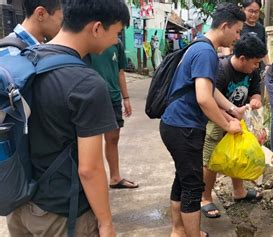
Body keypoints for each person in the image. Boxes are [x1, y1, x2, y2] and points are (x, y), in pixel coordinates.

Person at [6, 1, 130, 236]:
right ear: (96, 28)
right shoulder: (87, 84)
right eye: (116, 33)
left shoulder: (25, 58)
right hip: (62, 212)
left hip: (19, 204)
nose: (116, 41)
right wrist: (106, 223)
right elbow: (89, 169)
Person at [159, 3, 246, 237]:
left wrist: (231, 108)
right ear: (225, 26)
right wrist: (228, 124)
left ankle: (178, 231)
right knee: (193, 185)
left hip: (175, 124)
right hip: (183, 126)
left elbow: (208, 88)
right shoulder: (206, 52)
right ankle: (191, 234)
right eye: (237, 31)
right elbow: (204, 98)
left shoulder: (199, 45)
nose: (238, 37)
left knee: (183, 177)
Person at [201, 34, 268, 218]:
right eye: (255, 63)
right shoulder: (221, 70)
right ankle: (205, 198)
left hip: (238, 118)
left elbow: (255, 93)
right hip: (216, 118)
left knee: (238, 155)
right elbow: (211, 103)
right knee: (211, 158)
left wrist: (255, 101)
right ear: (242, 59)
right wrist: (227, 121)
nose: (257, 67)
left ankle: (239, 192)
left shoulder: (252, 71)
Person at [89, 41, 138, 189]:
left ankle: (115, 178)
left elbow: (120, 72)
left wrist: (126, 98)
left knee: (113, 138)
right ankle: (93, 181)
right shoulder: (87, 37)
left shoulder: (116, 43)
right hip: (92, 97)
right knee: (91, 141)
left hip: (113, 97)